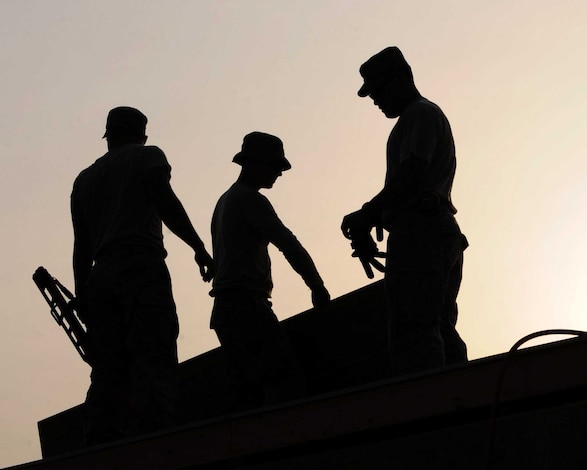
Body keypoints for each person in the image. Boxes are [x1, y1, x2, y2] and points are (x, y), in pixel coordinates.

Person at [71, 106, 215, 445]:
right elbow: (165, 203)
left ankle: (100, 442)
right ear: (142, 134)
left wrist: (82, 296)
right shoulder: (147, 156)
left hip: (99, 278)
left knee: (108, 367)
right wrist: (198, 246)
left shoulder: (84, 180)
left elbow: (81, 247)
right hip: (139, 266)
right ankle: (158, 440)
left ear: (108, 137)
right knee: (154, 353)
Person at [341, 46, 468, 376]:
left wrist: (369, 212)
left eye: (378, 91)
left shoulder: (419, 114)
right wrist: (378, 218)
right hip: (432, 232)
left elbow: (412, 173)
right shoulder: (418, 118)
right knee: (438, 327)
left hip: (423, 235)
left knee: (416, 333)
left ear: (400, 79)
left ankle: (431, 411)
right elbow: (410, 186)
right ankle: (463, 401)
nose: (375, 101)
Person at [210, 132, 330, 412]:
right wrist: (317, 286)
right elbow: (288, 244)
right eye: (274, 166)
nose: (279, 172)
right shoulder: (249, 200)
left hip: (227, 311)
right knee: (284, 383)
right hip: (245, 308)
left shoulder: (225, 200)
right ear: (254, 163)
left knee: (248, 396)